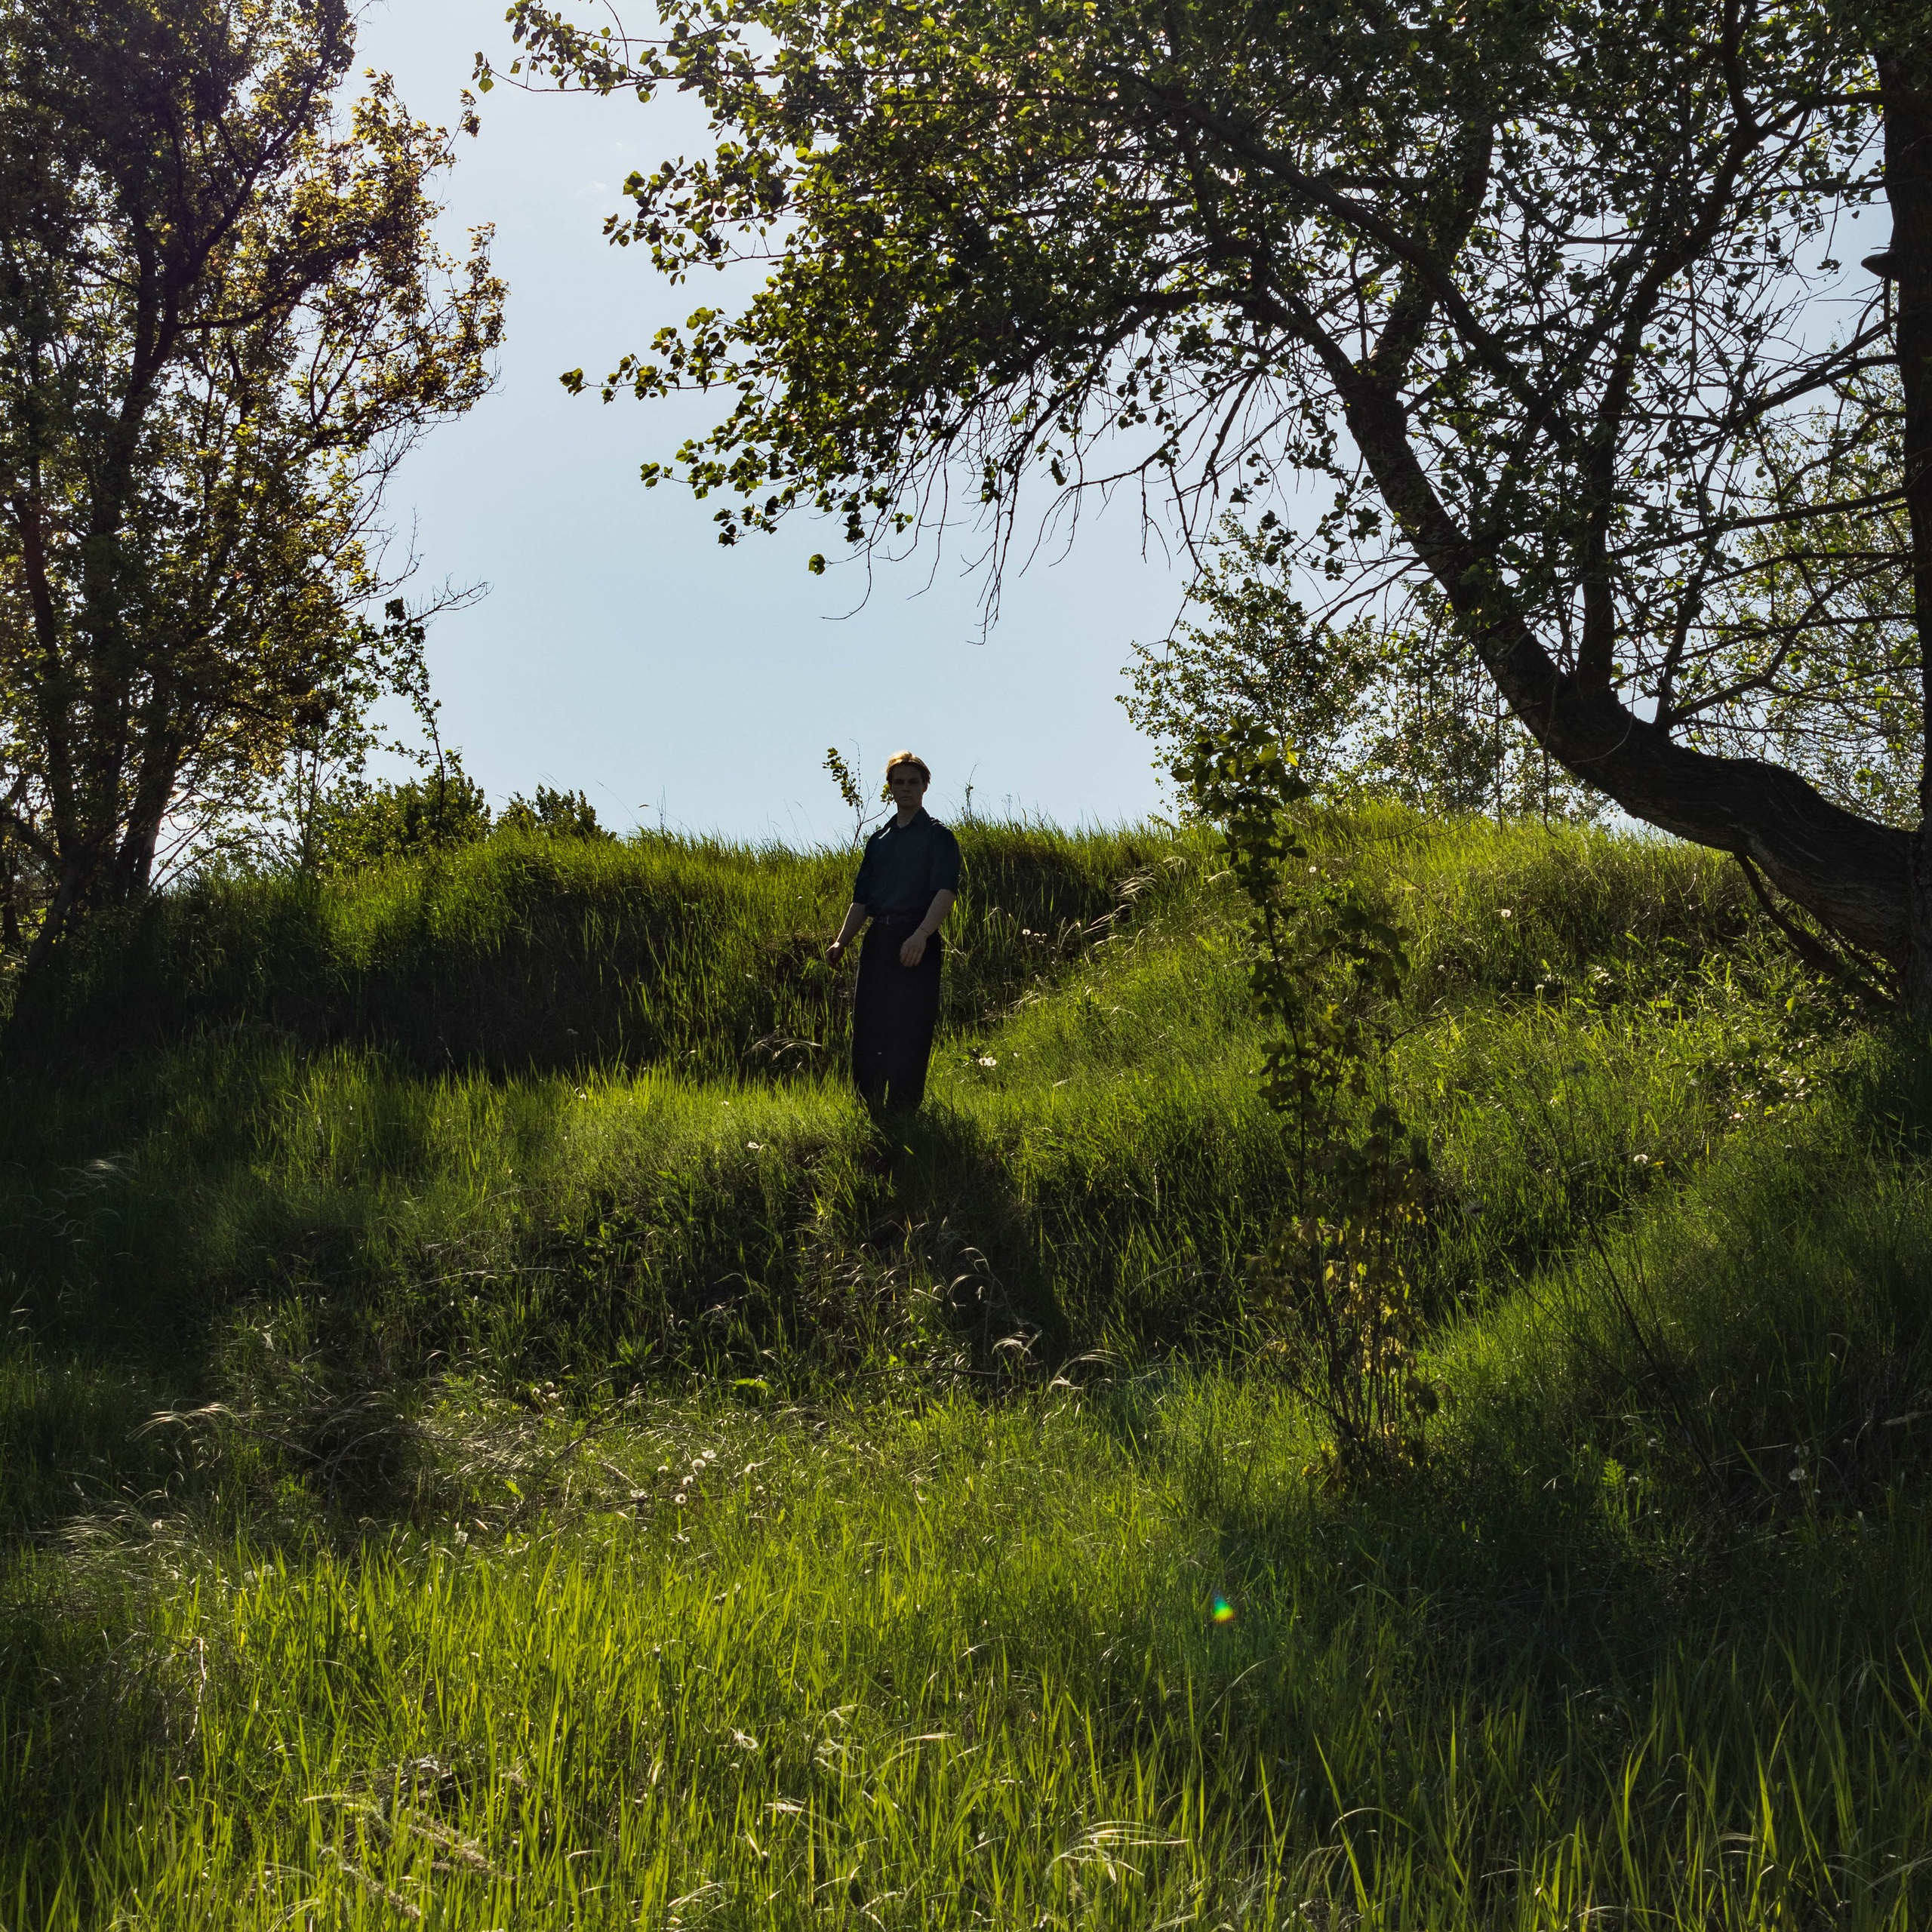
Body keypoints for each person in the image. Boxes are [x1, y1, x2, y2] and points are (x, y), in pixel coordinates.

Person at [825, 752, 961, 1114]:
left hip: (917, 940)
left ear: (925, 786)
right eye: (898, 782)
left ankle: (903, 1114)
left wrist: (921, 935)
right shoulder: (879, 839)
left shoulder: (939, 837)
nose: (905, 789)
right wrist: (842, 940)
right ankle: (867, 1108)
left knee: (910, 1028)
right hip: (878, 941)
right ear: (890, 788)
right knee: (869, 1026)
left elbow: (945, 891)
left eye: (912, 782)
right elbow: (862, 900)